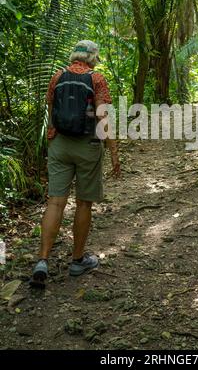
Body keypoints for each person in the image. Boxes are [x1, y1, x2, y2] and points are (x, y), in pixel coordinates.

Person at [30, 40, 120, 288]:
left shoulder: (58, 76)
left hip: (59, 143)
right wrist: (113, 151)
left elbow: (50, 109)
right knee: (83, 203)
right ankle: (77, 260)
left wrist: (52, 136)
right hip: (87, 145)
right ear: (93, 58)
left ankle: (42, 261)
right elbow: (102, 117)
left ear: (74, 56)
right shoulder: (97, 79)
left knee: (55, 201)